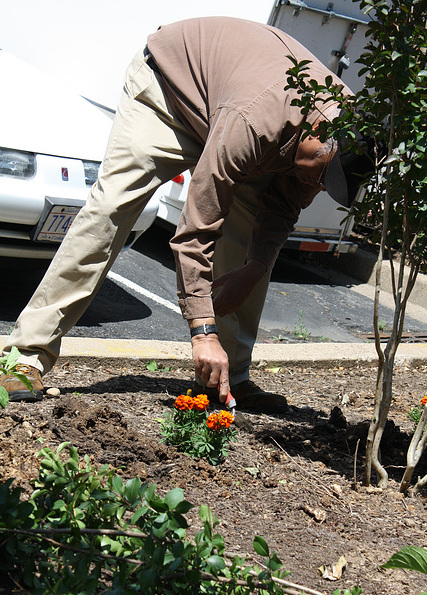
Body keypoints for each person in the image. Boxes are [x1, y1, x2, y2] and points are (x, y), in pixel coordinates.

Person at [0, 17, 372, 412]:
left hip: (232, 109)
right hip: (170, 93)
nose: (315, 185)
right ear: (316, 131)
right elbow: (195, 230)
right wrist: (202, 333)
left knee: (250, 248)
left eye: (325, 184)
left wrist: (254, 267)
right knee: (110, 210)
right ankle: (27, 357)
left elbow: (281, 209)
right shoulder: (255, 120)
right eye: (319, 174)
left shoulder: (332, 144)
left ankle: (227, 378)